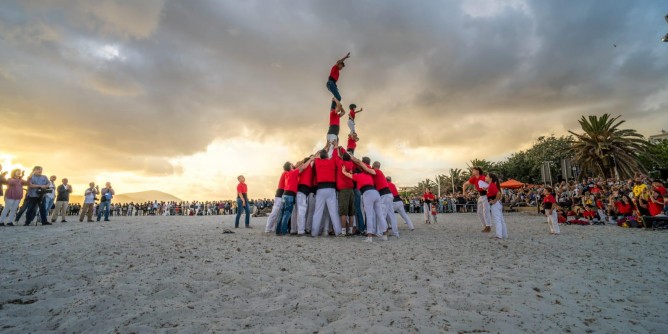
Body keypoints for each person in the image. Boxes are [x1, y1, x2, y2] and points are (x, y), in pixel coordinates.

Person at [311, 148, 343, 237]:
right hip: (331, 189)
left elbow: (315, 155)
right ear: (328, 156)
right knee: (333, 211)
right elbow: (336, 156)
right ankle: (338, 231)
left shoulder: (317, 162)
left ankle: (314, 232)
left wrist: (325, 148)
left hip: (320, 189)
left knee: (318, 211)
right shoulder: (332, 161)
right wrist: (335, 147)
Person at [277, 159, 312, 236]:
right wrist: (310, 159)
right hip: (290, 195)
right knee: (287, 213)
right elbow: (303, 167)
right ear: (290, 167)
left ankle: (278, 230)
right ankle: (283, 231)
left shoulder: (286, 174)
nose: (293, 164)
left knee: (282, 213)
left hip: (284, 194)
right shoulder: (293, 173)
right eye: (291, 164)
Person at [463, 167, 492, 232]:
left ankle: (488, 226)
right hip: (480, 196)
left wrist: (487, 188)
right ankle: (485, 226)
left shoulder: (483, 177)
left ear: (478, 171)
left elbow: (491, 183)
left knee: (486, 211)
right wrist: (464, 192)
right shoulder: (474, 178)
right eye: (473, 170)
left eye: (474, 170)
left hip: (486, 195)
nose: (473, 171)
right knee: (479, 212)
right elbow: (465, 184)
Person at [336, 151, 356, 236]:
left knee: (343, 211)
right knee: (351, 211)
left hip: (343, 189)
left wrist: (337, 148)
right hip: (351, 189)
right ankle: (350, 230)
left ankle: (343, 231)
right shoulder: (351, 164)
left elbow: (335, 156)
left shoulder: (340, 163)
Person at [486, 173, 507, 239]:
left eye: (487, 176)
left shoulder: (492, 185)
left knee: (497, 220)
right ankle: (504, 235)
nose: (485, 177)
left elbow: (498, 193)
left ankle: (499, 235)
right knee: (501, 220)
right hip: (497, 204)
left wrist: (494, 201)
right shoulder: (492, 185)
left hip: (495, 204)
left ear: (491, 178)